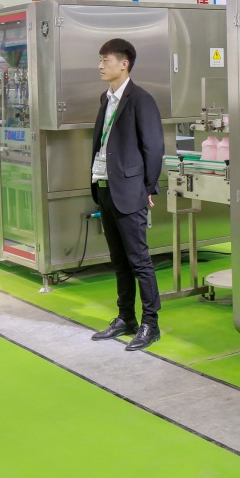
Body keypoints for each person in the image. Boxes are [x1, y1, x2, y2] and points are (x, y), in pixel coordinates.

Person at [89, 38, 166, 351]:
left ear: (124, 64)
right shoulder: (106, 98)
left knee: (139, 260)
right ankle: (126, 317)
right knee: (119, 260)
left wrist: (147, 187)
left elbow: (154, 147)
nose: (100, 65)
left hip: (130, 191)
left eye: (105, 60)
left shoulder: (141, 100)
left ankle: (151, 323)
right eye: (100, 60)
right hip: (105, 188)